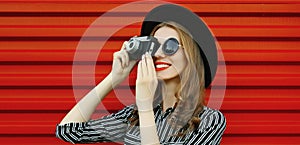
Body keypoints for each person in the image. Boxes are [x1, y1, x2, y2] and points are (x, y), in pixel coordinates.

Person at [56, 4, 226, 145]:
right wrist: (114, 78)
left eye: (170, 46)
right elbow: (68, 130)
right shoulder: (133, 116)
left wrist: (145, 107)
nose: (159, 54)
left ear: (191, 55)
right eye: (154, 45)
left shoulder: (208, 121)